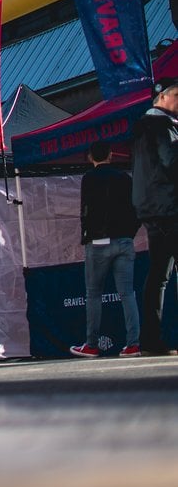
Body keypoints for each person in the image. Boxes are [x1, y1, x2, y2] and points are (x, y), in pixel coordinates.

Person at [71, 141, 141, 358]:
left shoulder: (89, 179)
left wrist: (87, 235)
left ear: (91, 157)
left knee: (93, 294)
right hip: (124, 240)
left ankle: (91, 344)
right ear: (111, 155)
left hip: (99, 241)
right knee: (127, 293)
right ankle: (133, 343)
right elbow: (136, 207)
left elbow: (86, 210)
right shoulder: (124, 178)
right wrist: (130, 233)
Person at [132, 76, 178, 356]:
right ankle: (153, 338)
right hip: (171, 207)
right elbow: (171, 161)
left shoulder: (139, 128)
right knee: (159, 274)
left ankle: (151, 339)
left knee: (158, 275)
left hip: (152, 210)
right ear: (162, 97)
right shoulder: (162, 125)